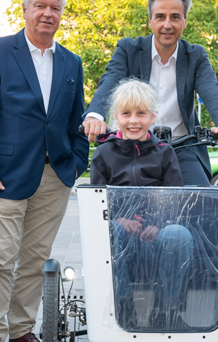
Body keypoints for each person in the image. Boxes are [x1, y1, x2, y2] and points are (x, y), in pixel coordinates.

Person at [0, 0, 89, 342]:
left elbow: (74, 120)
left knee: (36, 261)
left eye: (55, 8)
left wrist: (75, 163)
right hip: (4, 176)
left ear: (61, 14)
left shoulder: (71, 61)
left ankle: (21, 330)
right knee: (0, 260)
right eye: (40, 6)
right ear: (25, 9)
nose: (48, 14)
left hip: (55, 178)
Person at [82, 0, 218, 186]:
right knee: (118, 205)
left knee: (200, 202)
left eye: (175, 17)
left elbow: (211, 89)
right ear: (150, 21)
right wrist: (94, 116)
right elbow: (110, 82)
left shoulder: (195, 55)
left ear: (184, 22)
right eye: (160, 17)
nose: (167, 24)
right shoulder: (129, 49)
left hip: (183, 148)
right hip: (135, 146)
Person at [90, 79, 193, 331]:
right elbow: (96, 201)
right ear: (115, 117)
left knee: (179, 234)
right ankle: (123, 309)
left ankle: (166, 310)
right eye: (126, 114)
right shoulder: (104, 153)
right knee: (107, 230)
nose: (133, 121)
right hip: (121, 237)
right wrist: (118, 220)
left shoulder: (164, 152)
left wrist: (159, 225)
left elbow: (175, 199)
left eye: (141, 114)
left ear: (153, 116)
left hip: (155, 237)